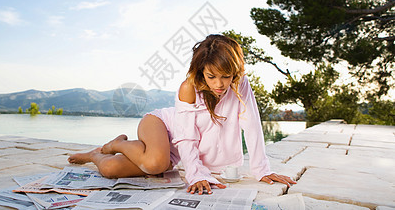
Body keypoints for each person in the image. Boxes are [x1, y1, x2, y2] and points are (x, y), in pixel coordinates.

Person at [68, 34, 296, 194]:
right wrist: (196, 174)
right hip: (162, 125)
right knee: (156, 163)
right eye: (212, 76)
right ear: (201, 72)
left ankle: (95, 156)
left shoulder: (240, 83)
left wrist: (262, 169)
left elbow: (252, 125)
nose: (219, 84)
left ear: (234, 72)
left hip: (175, 152)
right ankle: (114, 146)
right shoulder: (189, 87)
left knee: (110, 169)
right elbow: (186, 136)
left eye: (226, 76)